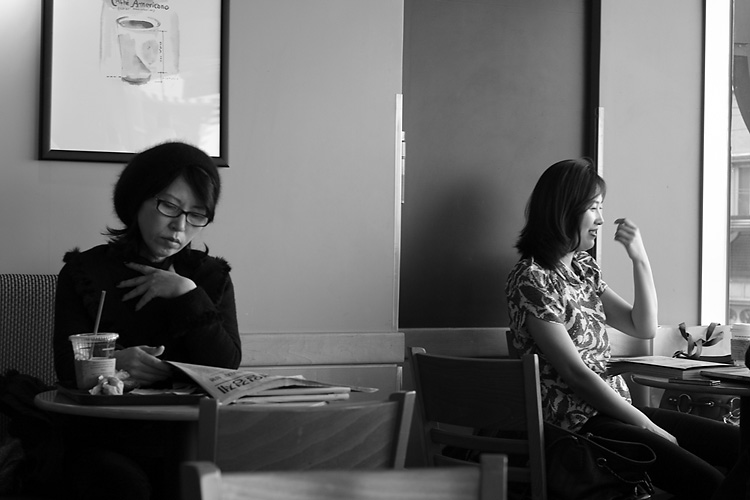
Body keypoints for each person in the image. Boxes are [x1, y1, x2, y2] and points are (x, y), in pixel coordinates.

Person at [505, 158, 740, 500]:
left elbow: (641, 326)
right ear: (563, 210)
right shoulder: (532, 279)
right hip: (576, 424)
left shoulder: (583, 269)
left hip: (613, 410)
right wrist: (647, 425)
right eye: (593, 208)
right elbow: (576, 374)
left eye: (601, 208)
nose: (601, 219)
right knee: (711, 483)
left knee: (738, 444)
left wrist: (639, 258)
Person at [52, 141, 241, 500]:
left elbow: (227, 366)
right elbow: (64, 366)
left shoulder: (210, 277)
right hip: (104, 438)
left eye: (196, 214)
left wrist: (186, 293)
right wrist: (115, 361)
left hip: (189, 438)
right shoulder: (85, 271)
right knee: (121, 485)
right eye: (169, 206)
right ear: (137, 200)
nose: (179, 226)